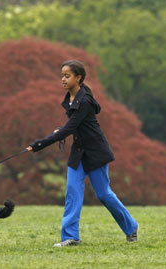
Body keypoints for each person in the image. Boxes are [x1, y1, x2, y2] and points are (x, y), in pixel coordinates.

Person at [27, 60, 138, 247]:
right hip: (78, 153)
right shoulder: (69, 99)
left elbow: (70, 127)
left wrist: (40, 143)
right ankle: (70, 237)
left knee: (104, 194)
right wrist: (58, 132)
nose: (62, 79)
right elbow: (72, 127)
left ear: (78, 78)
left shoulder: (85, 100)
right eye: (62, 75)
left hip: (96, 153)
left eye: (67, 75)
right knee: (72, 192)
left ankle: (131, 226)